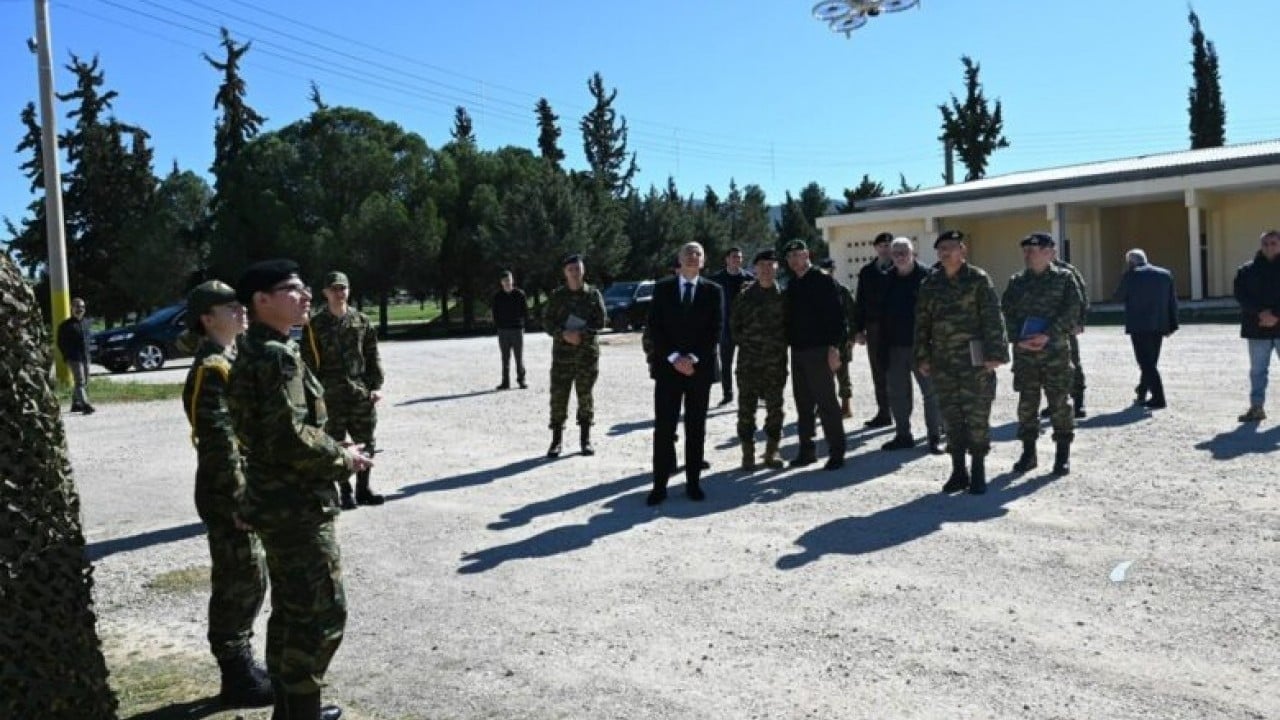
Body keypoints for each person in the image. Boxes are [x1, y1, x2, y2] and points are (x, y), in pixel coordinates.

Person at [227, 259, 368, 720]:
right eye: (292, 289)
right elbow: (289, 437)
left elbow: (279, 430)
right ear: (260, 301)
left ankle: (290, 711)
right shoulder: (277, 356)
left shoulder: (254, 349)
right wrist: (344, 458)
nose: (306, 295)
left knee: (290, 611)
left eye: (306, 288)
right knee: (321, 614)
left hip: (275, 499)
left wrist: (331, 441)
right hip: (297, 504)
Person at [179, 280, 273, 709]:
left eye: (240, 304)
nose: (241, 311)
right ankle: (236, 674)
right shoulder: (211, 369)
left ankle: (243, 664)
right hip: (226, 495)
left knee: (251, 578)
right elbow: (218, 444)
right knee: (239, 580)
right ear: (207, 318)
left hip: (242, 488)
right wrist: (239, 501)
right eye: (229, 307)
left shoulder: (230, 360)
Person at [915, 230, 1009, 495]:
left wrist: (995, 354)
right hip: (943, 361)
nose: (946, 253)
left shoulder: (978, 279)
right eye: (941, 249)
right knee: (951, 417)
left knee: (977, 415)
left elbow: (993, 317)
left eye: (951, 247)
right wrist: (922, 356)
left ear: (962, 250)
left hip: (975, 360)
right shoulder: (930, 284)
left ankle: (978, 469)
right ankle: (958, 471)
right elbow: (922, 323)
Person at [645, 242, 724, 505]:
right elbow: (655, 327)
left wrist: (692, 358)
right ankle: (659, 486)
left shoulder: (714, 291)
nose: (693, 257)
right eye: (688, 253)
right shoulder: (663, 288)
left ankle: (693, 484)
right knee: (664, 428)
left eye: (698, 254)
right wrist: (674, 358)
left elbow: (715, 330)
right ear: (679, 259)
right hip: (668, 370)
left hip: (698, 370)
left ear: (703, 261)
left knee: (695, 427)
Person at [302, 271, 386, 510]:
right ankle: (345, 492)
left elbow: (372, 355)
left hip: (359, 391)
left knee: (366, 441)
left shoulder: (361, 321)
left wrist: (375, 386)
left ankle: (363, 489)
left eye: (343, 288)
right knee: (336, 444)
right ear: (325, 293)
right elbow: (307, 363)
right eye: (334, 289)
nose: (339, 293)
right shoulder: (315, 325)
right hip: (330, 394)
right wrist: (313, 395)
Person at [1001, 233, 1082, 476]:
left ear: (1049, 252)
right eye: (1025, 250)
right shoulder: (1016, 282)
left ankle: (1062, 455)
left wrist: (1048, 334)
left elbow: (1073, 309)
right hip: (1026, 354)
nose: (1028, 254)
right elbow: (1007, 314)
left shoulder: (1065, 279)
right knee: (1027, 404)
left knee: (1059, 403)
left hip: (1055, 351)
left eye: (1033, 250)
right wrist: (1018, 339)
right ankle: (1028, 453)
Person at [783, 239, 847, 471]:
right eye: (790, 257)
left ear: (807, 254)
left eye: (798, 255)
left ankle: (837, 451)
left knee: (827, 403)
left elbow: (838, 317)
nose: (794, 260)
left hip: (819, 350)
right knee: (803, 404)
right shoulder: (792, 284)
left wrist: (834, 348)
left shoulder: (822, 279)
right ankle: (807, 450)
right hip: (798, 351)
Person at [878, 238, 944, 454]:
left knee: (931, 393)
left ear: (913, 253)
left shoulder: (928, 277)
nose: (899, 256)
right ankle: (903, 435)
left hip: (923, 346)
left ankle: (935, 436)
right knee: (897, 393)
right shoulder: (886, 279)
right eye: (896, 252)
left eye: (904, 252)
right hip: (894, 346)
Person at [542, 253, 607, 458]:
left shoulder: (593, 295)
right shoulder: (557, 296)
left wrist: (581, 335)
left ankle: (585, 440)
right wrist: (563, 334)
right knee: (558, 397)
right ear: (565, 272)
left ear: (583, 271)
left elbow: (601, 322)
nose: (574, 273)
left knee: (585, 397)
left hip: (586, 355)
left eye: (577, 269)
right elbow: (546, 321)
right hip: (562, 356)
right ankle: (556, 441)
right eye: (570, 270)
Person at [731, 249, 788, 470]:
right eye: (762, 265)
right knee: (746, 410)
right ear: (755, 269)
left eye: (771, 265)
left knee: (775, 409)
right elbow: (734, 327)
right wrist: (751, 345)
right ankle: (748, 453)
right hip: (748, 364)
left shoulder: (783, 297)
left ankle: (771, 452)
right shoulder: (744, 296)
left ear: (777, 269)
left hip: (775, 363)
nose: (766, 269)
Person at [1114, 249, 1178, 410]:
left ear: (1130, 262)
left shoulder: (1131, 275)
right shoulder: (1164, 274)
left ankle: (1159, 397)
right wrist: (1173, 324)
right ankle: (1142, 391)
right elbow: (1172, 301)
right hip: (1159, 324)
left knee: (1146, 363)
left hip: (1139, 325)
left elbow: (1118, 296)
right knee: (1151, 361)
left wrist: (1126, 275)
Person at [1233, 229, 1280, 422]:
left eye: (1273, 243)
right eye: (1265, 243)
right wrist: (1261, 313)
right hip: (1256, 326)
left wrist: (1276, 315)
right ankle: (1256, 408)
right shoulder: (1246, 270)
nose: (1269, 247)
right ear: (1260, 245)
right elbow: (1241, 296)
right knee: (1257, 371)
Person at [852, 232, 894, 428]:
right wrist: (859, 329)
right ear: (876, 248)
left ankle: (901, 414)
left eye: (888, 245)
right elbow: (860, 301)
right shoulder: (867, 271)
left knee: (900, 371)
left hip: (896, 326)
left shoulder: (900, 268)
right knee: (878, 371)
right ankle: (884, 412)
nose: (885, 248)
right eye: (882, 245)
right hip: (874, 326)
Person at [710, 246, 753, 406]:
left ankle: (749, 393)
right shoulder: (717, 279)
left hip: (745, 329)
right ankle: (727, 394)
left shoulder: (749, 278)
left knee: (748, 364)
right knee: (726, 365)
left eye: (740, 257)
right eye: (734, 256)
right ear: (727, 259)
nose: (737, 260)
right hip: (725, 329)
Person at [818, 257, 857, 419]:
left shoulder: (842, 291)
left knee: (843, 374)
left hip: (841, 338)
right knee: (822, 375)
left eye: (830, 270)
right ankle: (824, 407)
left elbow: (852, 315)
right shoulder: (816, 291)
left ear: (834, 271)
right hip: (822, 339)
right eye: (825, 270)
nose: (828, 273)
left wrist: (852, 337)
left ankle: (846, 407)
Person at [56, 297, 95, 414]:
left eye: (82, 307)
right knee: (80, 381)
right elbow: (60, 342)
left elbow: (88, 340)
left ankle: (75, 404)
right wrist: (66, 356)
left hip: (85, 357)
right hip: (74, 358)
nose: (80, 309)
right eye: (77, 306)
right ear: (71, 308)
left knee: (85, 381)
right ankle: (85, 405)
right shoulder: (65, 326)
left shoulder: (86, 323)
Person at [492, 270, 529, 390]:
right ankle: (505, 382)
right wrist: (499, 325)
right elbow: (495, 313)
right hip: (503, 330)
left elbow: (525, 311)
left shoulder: (520, 294)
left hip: (517, 330)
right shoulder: (497, 296)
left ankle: (521, 380)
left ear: (512, 280)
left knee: (519, 357)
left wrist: (522, 324)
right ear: (501, 282)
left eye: (509, 280)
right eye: (505, 281)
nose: (507, 283)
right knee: (505, 357)